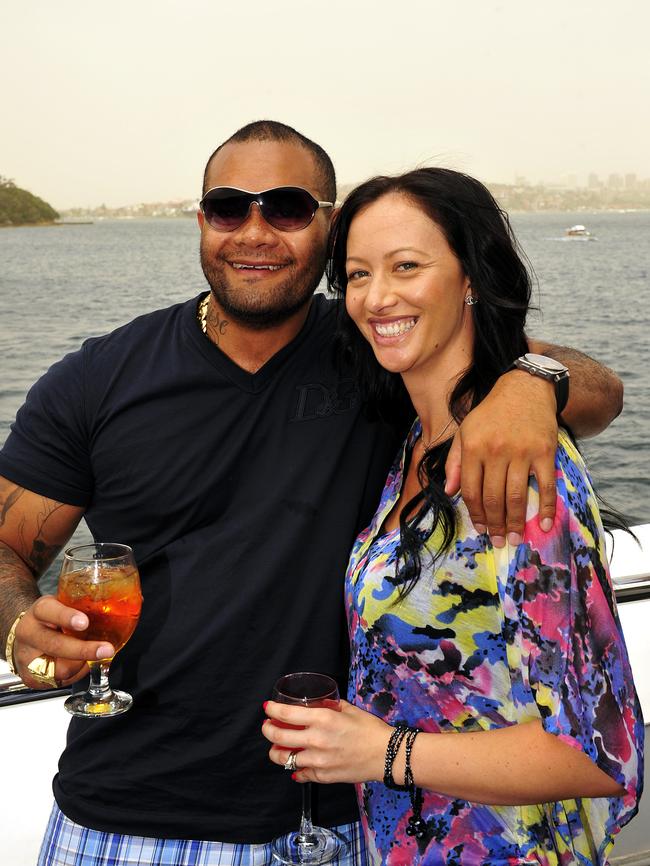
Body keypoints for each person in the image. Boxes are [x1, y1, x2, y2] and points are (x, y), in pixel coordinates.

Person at [0, 122, 624, 866]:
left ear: (328, 226)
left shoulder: (380, 351)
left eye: (289, 208)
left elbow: (594, 386)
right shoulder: (100, 378)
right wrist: (20, 632)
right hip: (120, 817)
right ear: (202, 222)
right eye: (230, 208)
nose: (255, 232)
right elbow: (8, 544)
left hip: (333, 822)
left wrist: (531, 384)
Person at [262, 167, 643, 865]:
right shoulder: (417, 443)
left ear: (469, 278)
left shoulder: (517, 467)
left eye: (407, 266)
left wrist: (384, 752)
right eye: (356, 275)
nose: (377, 297)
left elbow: (601, 753)